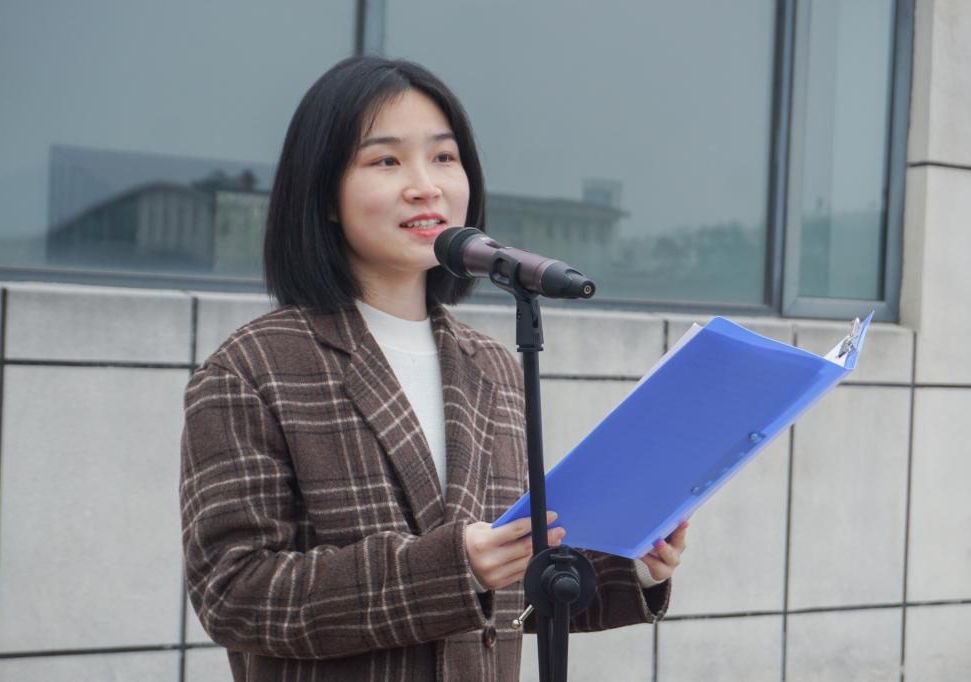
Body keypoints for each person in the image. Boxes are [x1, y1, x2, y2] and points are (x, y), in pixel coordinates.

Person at [180, 56, 687, 682]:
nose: (426, 186)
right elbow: (234, 594)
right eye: (386, 161)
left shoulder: (493, 366)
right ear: (325, 195)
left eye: (444, 157)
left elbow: (508, 594)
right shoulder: (254, 367)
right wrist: (452, 569)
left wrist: (632, 564)